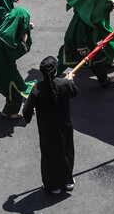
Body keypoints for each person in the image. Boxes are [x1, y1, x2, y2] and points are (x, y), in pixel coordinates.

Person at [23, 57, 78, 195]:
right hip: (65, 126)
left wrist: (31, 113)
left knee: (50, 155)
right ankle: (68, 181)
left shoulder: (37, 89)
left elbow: (26, 112)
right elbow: (75, 92)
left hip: (47, 129)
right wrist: (70, 79)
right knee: (66, 151)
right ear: (55, 71)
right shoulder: (64, 83)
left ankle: (53, 186)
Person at [56, 0, 114, 87]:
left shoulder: (87, 3)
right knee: (89, 58)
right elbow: (81, 29)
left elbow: (104, 6)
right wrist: (81, 47)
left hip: (83, 38)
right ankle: (52, 76)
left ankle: (52, 75)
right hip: (79, 40)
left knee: (90, 59)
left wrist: (111, 2)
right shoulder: (86, 16)